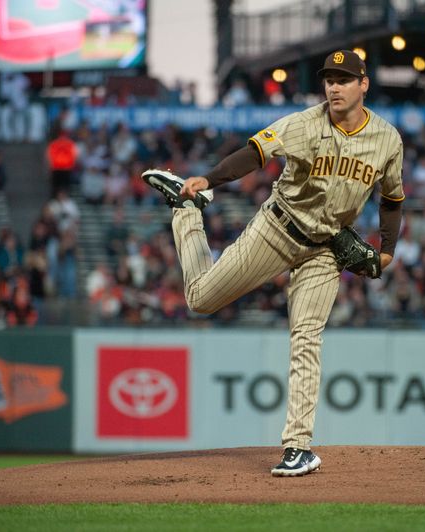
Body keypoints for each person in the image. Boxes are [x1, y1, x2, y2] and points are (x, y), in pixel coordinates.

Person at [142, 50, 404, 477]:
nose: (334, 87)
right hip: (277, 229)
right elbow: (255, 153)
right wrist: (207, 180)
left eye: (343, 79)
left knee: (307, 338)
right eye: (329, 79)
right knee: (200, 300)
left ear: (364, 84)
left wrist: (387, 250)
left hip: (326, 250)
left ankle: (297, 447)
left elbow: (393, 199)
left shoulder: (387, 140)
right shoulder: (303, 124)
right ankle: (186, 209)